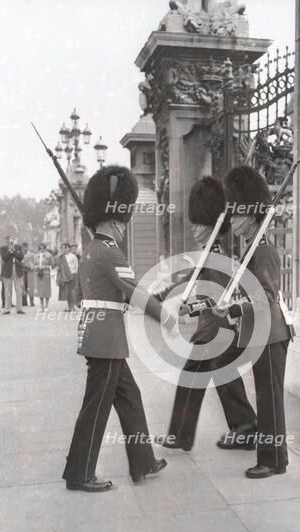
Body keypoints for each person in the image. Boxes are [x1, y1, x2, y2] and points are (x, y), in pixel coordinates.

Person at [62, 165, 176, 492]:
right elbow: (136, 293)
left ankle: (142, 462)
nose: (125, 229)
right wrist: (164, 315)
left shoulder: (92, 252)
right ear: (114, 221)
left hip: (100, 337)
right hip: (107, 342)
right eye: (123, 223)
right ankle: (80, 474)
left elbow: (110, 296)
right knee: (96, 409)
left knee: (129, 398)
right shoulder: (111, 253)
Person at [157, 176, 257, 452]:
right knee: (213, 381)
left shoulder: (216, 257)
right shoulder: (206, 255)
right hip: (209, 330)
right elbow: (186, 284)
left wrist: (192, 306)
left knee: (217, 380)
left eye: (199, 223)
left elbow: (218, 297)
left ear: (212, 225)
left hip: (218, 330)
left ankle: (243, 428)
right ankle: (240, 428)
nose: (193, 228)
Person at [215, 166, 292, 479]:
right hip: (260, 334)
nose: (232, 223)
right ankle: (272, 457)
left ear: (249, 215)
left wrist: (234, 308)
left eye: (235, 216)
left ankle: (273, 461)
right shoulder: (250, 250)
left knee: (270, 401)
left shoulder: (263, 251)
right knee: (264, 397)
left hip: (271, 334)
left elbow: (265, 299)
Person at [0, 236, 25, 314]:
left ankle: (19, 309)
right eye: (10, 240)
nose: (11, 241)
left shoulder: (19, 247)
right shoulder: (3, 248)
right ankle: (7, 309)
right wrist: (10, 251)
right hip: (7, 270)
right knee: (8, 290)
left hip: (17, 270)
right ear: (7, 241)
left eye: (13, 240)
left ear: (15, 240)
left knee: (19, 290)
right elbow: (4, 258)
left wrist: (14, 250)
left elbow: (21, 257)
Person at [57, 243, 78, 311]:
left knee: (72, 292)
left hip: (72, 275)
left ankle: (73, 306)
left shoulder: (73, 256)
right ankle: (69, 307)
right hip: (64, 276)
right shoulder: (61, 257)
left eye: (66, 248)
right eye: (63, 248)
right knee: (67, 293)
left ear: (69, 248)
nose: (64, 249)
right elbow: (58, 266)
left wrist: (76, 276)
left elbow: (76, 266)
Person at [33, 243, 54, 311]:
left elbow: (52, 265)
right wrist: (37, 267)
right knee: (40, 290)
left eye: (43, 248)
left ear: (45, 248)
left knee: (46, 289)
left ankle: (46, 306)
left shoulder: (49, 255)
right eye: (40, 248)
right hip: (38, 273)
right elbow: (33, 265)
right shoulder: (36, 256)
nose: (41, 249)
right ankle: (41, 306)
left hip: (46, 273)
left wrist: (45, 267)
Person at [21, 242, 36, 307]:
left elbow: (34, 263)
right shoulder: (20, 254)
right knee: (23, 286)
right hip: (22, 272)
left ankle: (31, 301)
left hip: (30, 272)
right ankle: (24, 301)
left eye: (26, 247)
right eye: (24, 247)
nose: (25, 248)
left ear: (28, 247)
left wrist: (31, 266)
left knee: (30, 286)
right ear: (22, 247)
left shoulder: (32, 255)